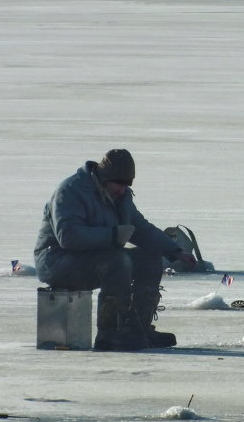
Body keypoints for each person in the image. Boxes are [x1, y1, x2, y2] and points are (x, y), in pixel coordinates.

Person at [35, 149, 197, 351]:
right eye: (119, 184)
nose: (123, 189)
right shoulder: (70, 191)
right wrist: (112, 235)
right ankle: (110, 334)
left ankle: (137, 329)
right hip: (57, 261)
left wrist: (175, 251)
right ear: (104, 178)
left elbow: (141, 228)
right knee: (118, 262)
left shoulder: (121, 197)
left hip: (95, 258)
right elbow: (68, 237)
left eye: (127, 185)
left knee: (149, 259)